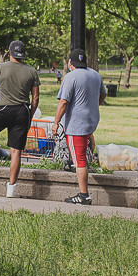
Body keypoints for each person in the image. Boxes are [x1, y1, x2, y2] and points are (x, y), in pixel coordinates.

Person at [0, 40, 41, 199]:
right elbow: (36, 97)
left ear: (9, 53)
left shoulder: (0, 67)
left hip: (4, 109)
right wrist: (30, 115)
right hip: (23, 111)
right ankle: (12, 188)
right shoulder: (32, 71)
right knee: (16, 151)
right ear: (23, 55)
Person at [51, 48, 107, 205]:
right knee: (82, 151)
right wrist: (95, 104)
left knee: (80, 160)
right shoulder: (95, 75)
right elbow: (103, 94)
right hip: (91, 121)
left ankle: (84, 195)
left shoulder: (71, 77)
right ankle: (77, 168)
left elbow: (63, 102)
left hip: (77, 124)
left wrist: (56, 123)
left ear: (70, 62)